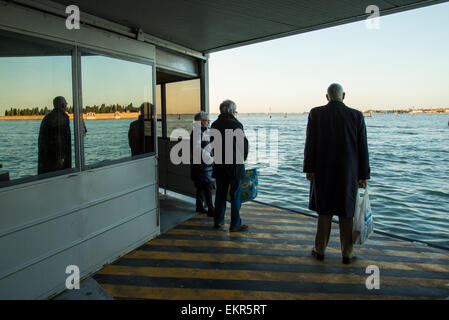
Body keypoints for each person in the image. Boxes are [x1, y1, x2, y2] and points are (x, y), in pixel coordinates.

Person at [303, 83, 370, 264]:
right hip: (348, 171)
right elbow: (362, 147)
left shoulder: (315, 113)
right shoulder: (356, 115)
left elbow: (310, 143)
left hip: (322, 170)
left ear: (327, 96)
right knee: (346, 212)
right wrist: (363, 174)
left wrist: (309, 169)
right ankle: (347, 253)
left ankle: (319, 250)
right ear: (344, 95)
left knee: (324, 211)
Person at [211, 100, 249, 232]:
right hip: (234, 166)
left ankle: (218, 220)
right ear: (232, 111)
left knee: (220, 194)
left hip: (219, 165)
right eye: (235, 111)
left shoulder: (214, 125)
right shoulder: (236, 124)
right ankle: (235, 224)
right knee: (235, 195)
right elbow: (243, 146)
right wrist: (242, 159)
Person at [38, 96, 72, 175]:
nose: (66, 106)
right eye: (65, 104)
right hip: (58, 163)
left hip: (46, 163)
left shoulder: (47, 118)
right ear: (62, 105)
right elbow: (63, 142)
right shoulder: (62, 118)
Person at [190, 111, 215, 216]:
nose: (208, 122)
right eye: (206, 120)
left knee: (201, 187)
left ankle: (199, 207)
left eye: (209, 120)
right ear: (200, 121)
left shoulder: (203, 131)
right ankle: (211, 209)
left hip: (202, 165)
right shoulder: (197, 132)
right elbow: (197, 148)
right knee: (208, 187)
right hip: (203, 166)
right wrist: (210, 157)